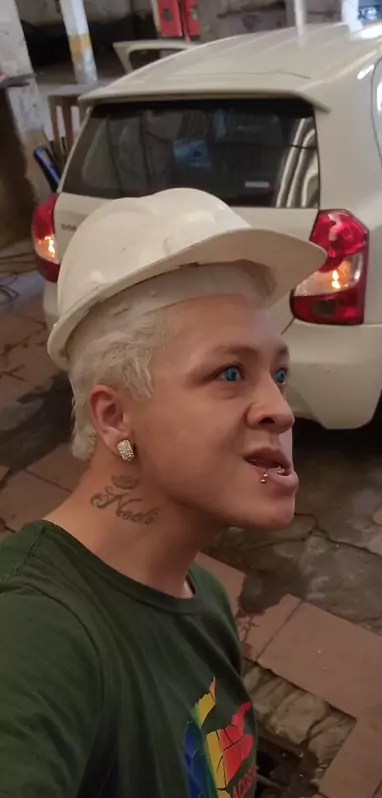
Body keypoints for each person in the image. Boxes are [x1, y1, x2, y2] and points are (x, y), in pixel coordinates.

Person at [0, 188, 324, 798]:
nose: (280, 410)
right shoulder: (29, 633)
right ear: (115, 417)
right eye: (230, 373)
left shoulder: (203, 597)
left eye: (278, 374)